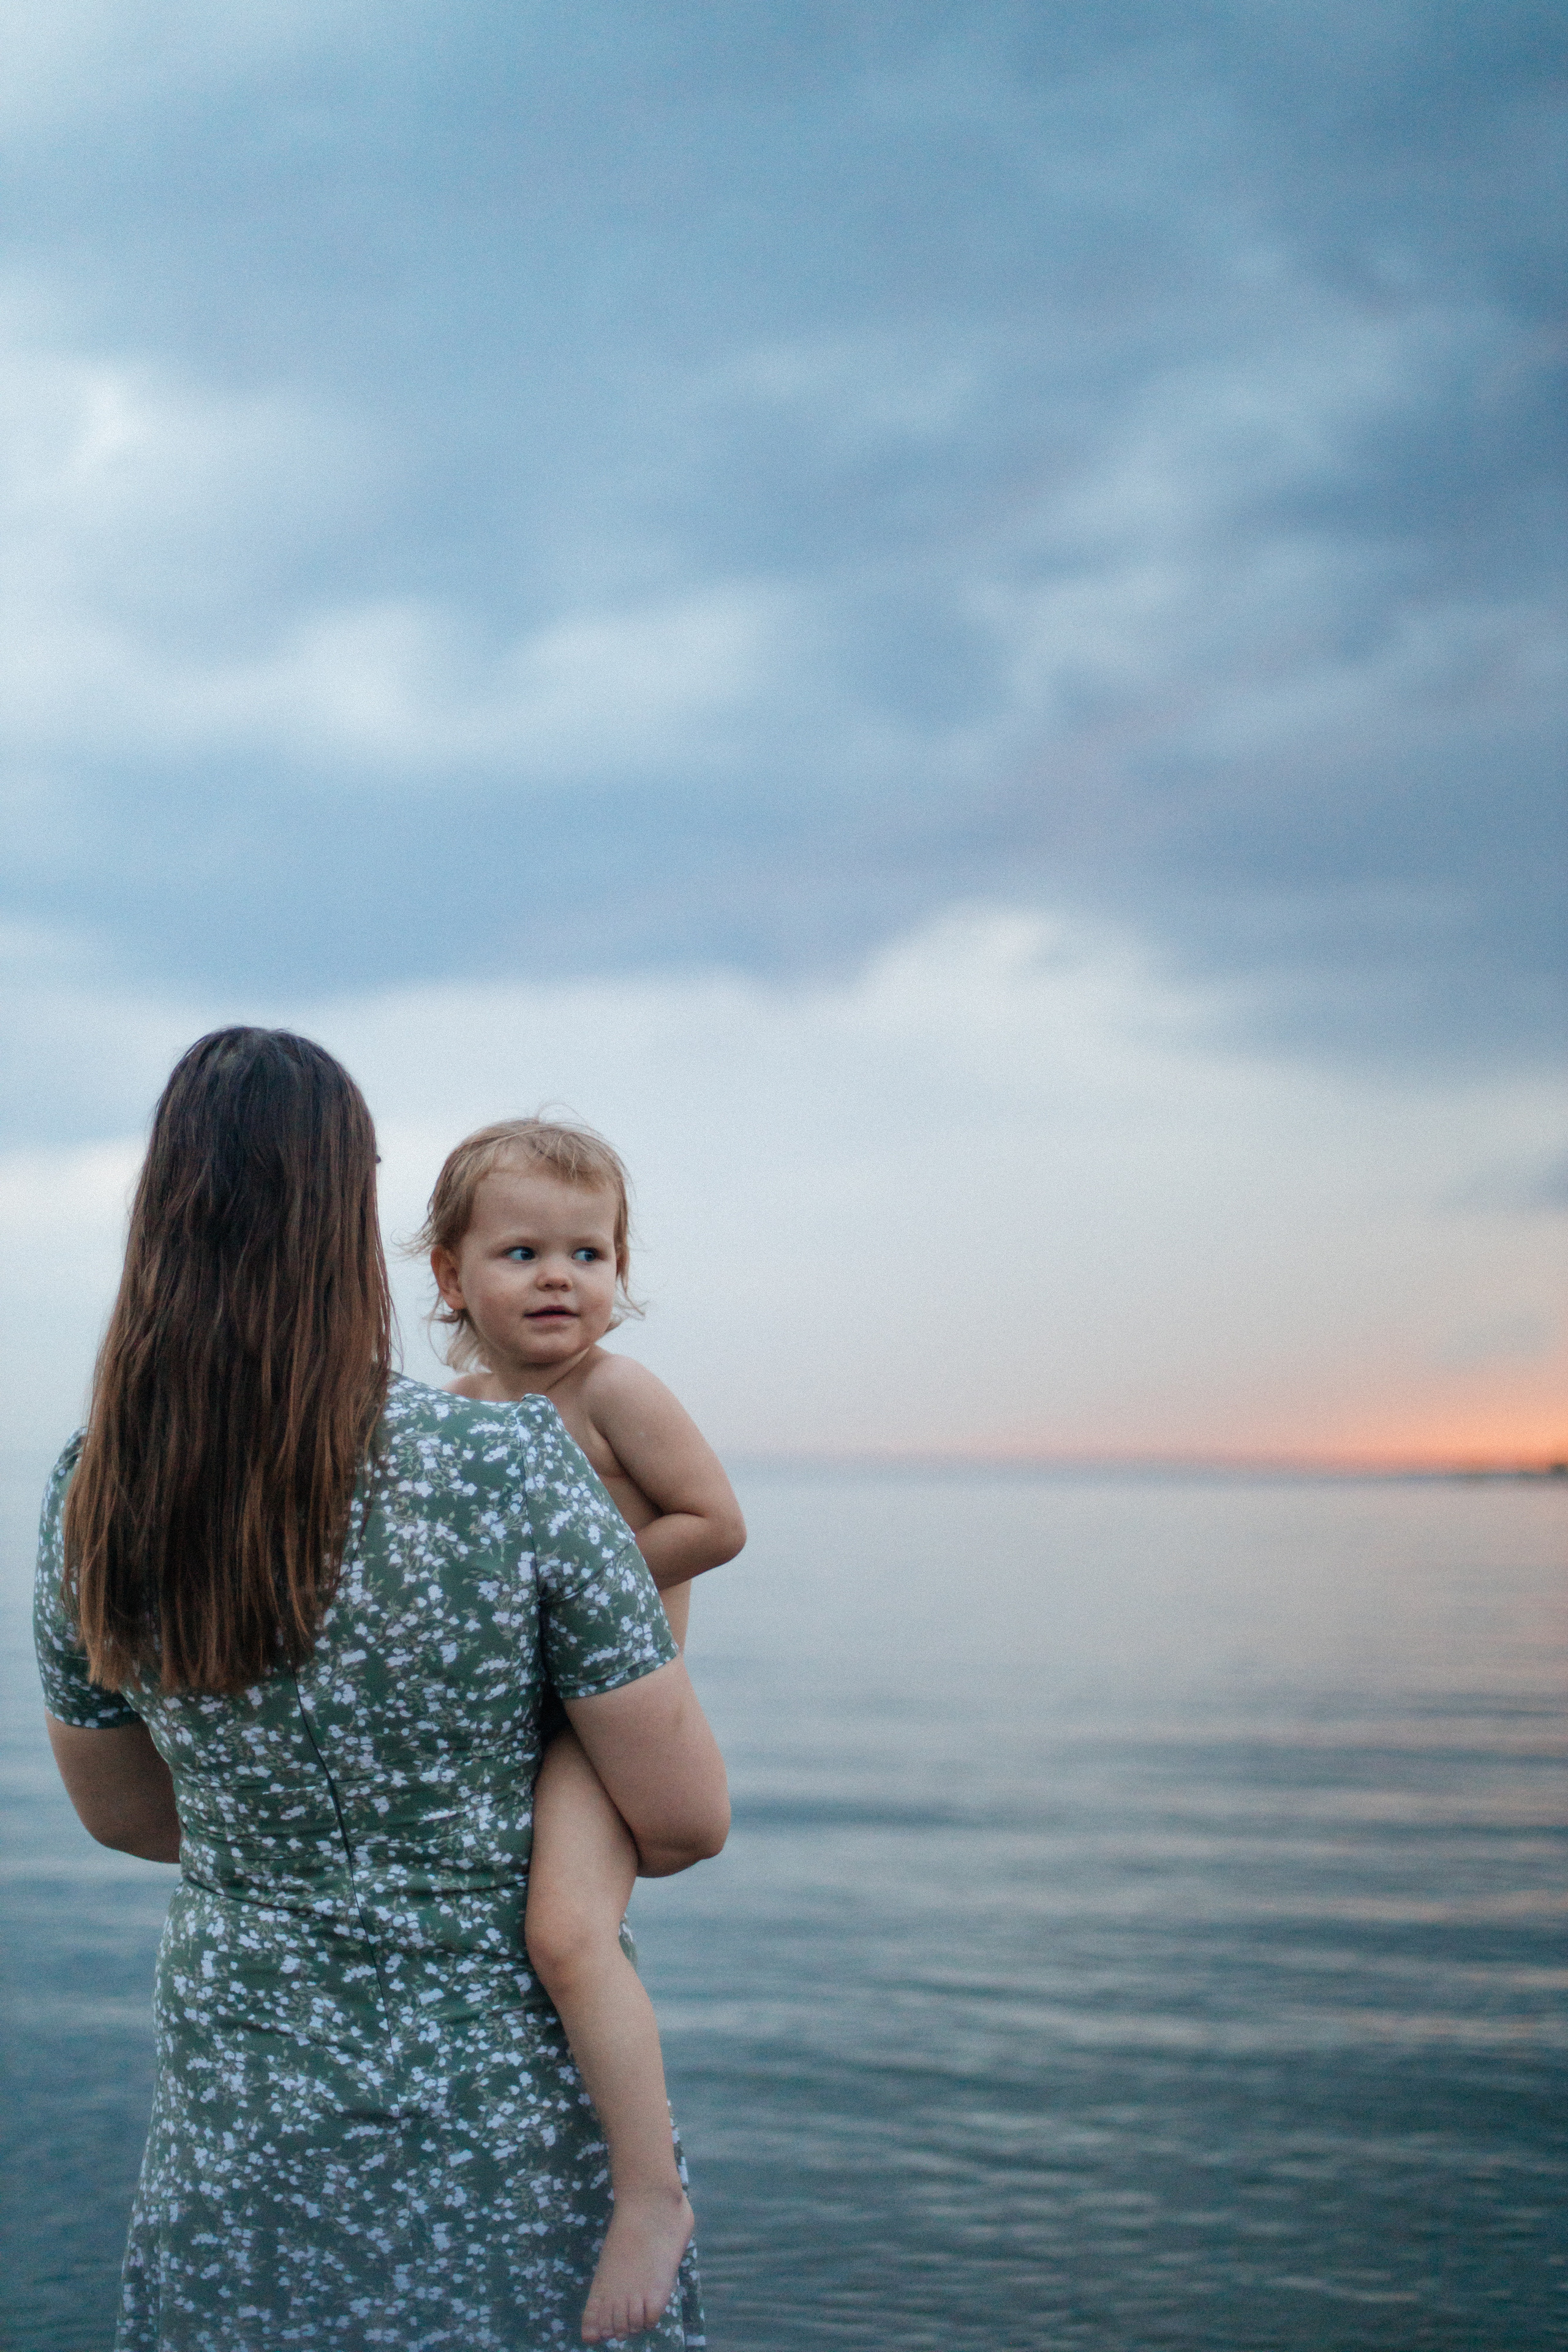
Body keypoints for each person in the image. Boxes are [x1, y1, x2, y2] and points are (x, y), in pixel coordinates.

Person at [34, 1029, 730, 2352]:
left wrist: (294, 1852)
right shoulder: (507, 1462)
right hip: (494, 2100)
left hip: (245, 2098)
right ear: (350, 1216)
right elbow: (685, 1822)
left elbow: (122, 1810)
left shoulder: (97, 1486)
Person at [417, 1118, 746, 2347]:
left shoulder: (613, 1393)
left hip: (605, 1722)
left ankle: (650, 2199)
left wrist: (577, 1582)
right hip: (518, 1709)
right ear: (450, 1279)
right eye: (520, 1252)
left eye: (589, 1253)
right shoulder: (453, 1417)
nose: (560, 1276)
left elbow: (714, 1522)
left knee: (563, 1935)